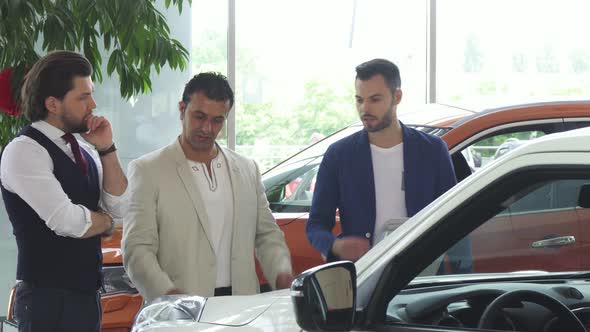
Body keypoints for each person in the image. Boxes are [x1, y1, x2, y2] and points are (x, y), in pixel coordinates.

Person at [123, 72, 293, 301]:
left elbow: (268, 235)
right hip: (180, 311)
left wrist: (283, 276)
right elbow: (137, 249)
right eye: (199, 116)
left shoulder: (247, 169)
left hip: (241, 309)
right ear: (182, 109)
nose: (207, 128)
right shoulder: (148, 170)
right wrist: (169, 297)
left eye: (217, 120)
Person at [0, 51, 128, 331]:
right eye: (83, 97)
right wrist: (104, 222)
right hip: (46, 300)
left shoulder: (84, 150)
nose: (93, 104)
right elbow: (68, 222)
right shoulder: (24, 150)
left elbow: (119, 209)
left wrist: (106, 148)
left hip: (87, 296)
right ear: (52, 104)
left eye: (91, 94)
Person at [306, 59, 472, 274]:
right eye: (359, 100)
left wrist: (461, 283)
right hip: (363, 277)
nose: (365, 108)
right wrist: (335, 246)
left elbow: (454, 222)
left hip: (422, 278)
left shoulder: (432, 151)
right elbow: (316, 225)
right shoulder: (339, 155)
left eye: (375, 99)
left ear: (397, 97)